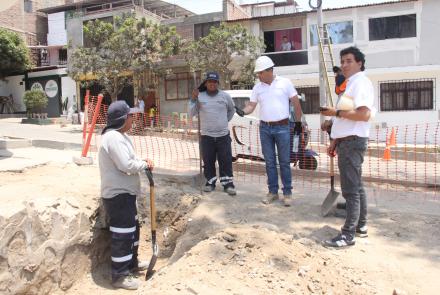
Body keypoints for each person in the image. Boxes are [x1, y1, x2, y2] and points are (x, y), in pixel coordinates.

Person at [320, 46, 376, 248]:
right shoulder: (350, 84)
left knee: (350, 191)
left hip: (353, 142)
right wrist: (334, 138)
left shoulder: (360, 83)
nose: (344, 65)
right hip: (347, 140)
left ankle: (348, 235)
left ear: (359, 63)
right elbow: (346, 117)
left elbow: (363, 115)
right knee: (357, 187)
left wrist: (334, 113)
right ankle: (360, 226)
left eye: (348, 61)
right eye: (342, 61)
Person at [99, 100, 154, 290]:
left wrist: (142, 160)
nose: (133, 118)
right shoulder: (113, 137)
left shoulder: (122, 136)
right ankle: (120, 275)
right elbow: (126, 165)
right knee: (122, 235)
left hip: (127, 194)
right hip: (118, 196)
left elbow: (131, 159)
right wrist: (144, 165)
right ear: (123, 118)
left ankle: (132, 263)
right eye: (130, 115)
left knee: (133, 230)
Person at [236, 55, 303, 207]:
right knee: (270, 162)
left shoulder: (285, 83)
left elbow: (296, 103)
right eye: (258, 73)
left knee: (285, 162)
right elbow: (251, 106)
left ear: (269, 70)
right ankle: (273, 192)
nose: (258, 76)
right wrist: (243, 111)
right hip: (265, 128)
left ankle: (287, 193)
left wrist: (298, 122)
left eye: (260, 72)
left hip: (283, 127)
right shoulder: (257, 88)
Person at [189, 71, 237, 196]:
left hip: (223, 135)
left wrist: (224, 121)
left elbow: (231, 110)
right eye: (210, 81)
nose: (212, 84)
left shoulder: (225, 96)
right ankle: (210, 183)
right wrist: (193, 99)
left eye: (215, 82)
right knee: (208, 160)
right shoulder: (200, 96)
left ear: (218, 83)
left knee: (225, 160)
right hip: (207, 136)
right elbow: (191, 113)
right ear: (206, 83)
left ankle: (228, 184)